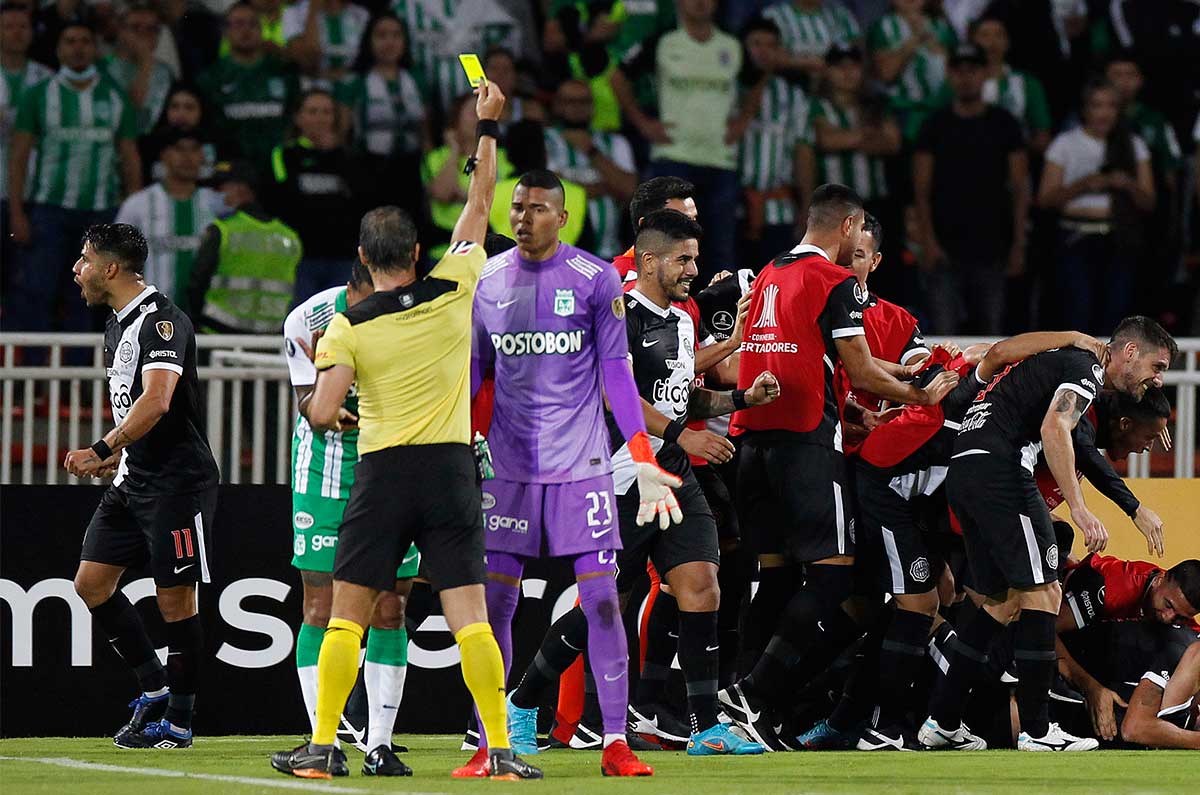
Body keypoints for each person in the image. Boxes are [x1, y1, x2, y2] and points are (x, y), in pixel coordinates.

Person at [269, 81, 541, 781]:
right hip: (451, 471)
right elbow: (479, 203)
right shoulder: (457, 284)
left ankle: (322, 748)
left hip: (383, 474)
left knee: (346, 618)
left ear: (362, 259)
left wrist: (337, 381)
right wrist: (487, 126)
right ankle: (502, 751)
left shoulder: (348, 326)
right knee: (471, 621)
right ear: (421, 250)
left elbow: (324, 413)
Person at [504, 210, 773, 759]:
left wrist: (743, 399)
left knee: (702, 585)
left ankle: (706, 727)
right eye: (683, 259)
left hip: (670, 470)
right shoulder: (616, 314)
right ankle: (523, 699)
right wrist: (682, 434)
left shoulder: (680, 321)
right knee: (605, 604)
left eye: (694, 259)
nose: (693, 270)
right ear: (649, 260)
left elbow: (683, 396)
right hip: (617, 474)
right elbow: (613, 396)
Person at [718, 183, 960, 750]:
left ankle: (739, 717)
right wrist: (920, 396)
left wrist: (880, 387)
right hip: (805, 446)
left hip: (752, 444)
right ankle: (752, 696)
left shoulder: (771, 273)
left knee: (775, 583)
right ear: (849, 226)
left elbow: (813, 358)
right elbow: (862, 369)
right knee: (832, 577)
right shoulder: (835, 283)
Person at [468, 169, 688, 777]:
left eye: (537, 208)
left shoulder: (594, 280)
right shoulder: (486, 279)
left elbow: (617, 374)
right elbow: (474, 374)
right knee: (495, 606)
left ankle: (614, 742)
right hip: (509, 469)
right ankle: (493, 743)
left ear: (562, 217)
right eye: (516, 207)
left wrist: (641, 453)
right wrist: (459, 438)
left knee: (603, 602)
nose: (522, 217)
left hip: (583, 469)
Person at [920, 315, 1176, 752]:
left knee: (1001, 604)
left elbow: (1001, 352)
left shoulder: (1064, 357)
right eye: (1157, 367)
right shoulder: (1087, 368)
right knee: (1044, 595)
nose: (1156, 379)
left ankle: (941, 722)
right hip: (1001, 471)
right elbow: (1055, 427)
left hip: (965, 468)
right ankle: (1038, 731)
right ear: (1129, 353)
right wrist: (1078, 508)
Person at [64, 222, 219, 750]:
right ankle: (154, 688)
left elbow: (157, 400)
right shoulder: (116, 324)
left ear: (110, 268)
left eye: (84, 260)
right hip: (134, 480)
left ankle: (178, 722)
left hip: (177, 483)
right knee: (91, 583)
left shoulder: (161, 323)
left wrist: (103, 448)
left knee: (176, 603)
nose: (76, 269)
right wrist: (121, 456)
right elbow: (138, 409)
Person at [281, 261, 419, 776]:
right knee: (320, 603)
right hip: (325, 474)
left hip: (391, 473)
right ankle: (326, 741)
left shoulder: (414, 316)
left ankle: (379, 744)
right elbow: (305, 403)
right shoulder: (306, 318)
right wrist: (326, 392)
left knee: (390, 609)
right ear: (355, 286)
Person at [6, 21, 142, 336]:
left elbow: (129, 155)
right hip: (49, 209)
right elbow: (19, 156)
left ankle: (80, 378)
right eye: (70, 41)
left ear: (95, 48)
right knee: (38, 291)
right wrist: (17, 212)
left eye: (84, 41)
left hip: (101, 213)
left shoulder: (114, 94)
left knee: (91, 297)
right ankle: (35, 378)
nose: (78, 47)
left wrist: (132, 211)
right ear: (59, 49)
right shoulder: (38, 95)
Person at [611, 0, 760, 279]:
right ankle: (667, 313)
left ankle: (720, 317)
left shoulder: (731, 44)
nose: (701, 3)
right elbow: (618, 76)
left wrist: (743, 121)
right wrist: (642, 122)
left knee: (720, 249)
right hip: (672, 158)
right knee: (668, 244)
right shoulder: (664, 41)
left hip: (720, 159)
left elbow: (758, 79)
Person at [913, 43, 1027, 335]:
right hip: (944, 247)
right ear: (949, 75)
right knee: (944, 339)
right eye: (959, 70)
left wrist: (1018, 244)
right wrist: (928, 241)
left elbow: (1019, 187)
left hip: (994, 247)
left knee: (992, 339)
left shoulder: (1005, 124)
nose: (966, 77)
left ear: (985, 74)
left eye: (973, 70)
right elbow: (921, 189)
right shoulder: (934, 125)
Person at [1037, 81, 1155, 334]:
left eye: (1111, 106)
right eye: (1097, 105)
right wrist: (1084, 185)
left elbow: (1149, 202)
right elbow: (1045, 199)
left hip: (1118, 239)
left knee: (1116, 313)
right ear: (1085, 110)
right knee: (1077, 310)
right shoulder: (1066, 144)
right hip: (1075, 238)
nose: (1104, 113)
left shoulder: (1132, 144)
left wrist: (1126, 184)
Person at [809, 44, 902, 300]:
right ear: (827, 70)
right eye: (840, 66)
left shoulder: (875, 105)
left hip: (876, 202)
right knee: (834, 269)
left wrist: (846, 138)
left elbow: (892, 143)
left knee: (882, 271)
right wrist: (867, 136)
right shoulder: (817, 107)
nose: (847, 72)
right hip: (836, 208)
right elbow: (826, 140)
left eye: (853, 65)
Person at [267, 89, 367, 301]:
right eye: (312, 112)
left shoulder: (349, 157)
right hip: (299, 257)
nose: (320, 118)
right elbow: (281, 200)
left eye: (326, 112)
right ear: (298, 118)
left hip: (341, 256)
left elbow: (359, 199)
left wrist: (333, 154)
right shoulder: (284, 155)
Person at [188, 159, 302, 334]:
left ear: (242, 189)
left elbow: (196, 285)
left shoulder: (222, 231)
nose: (211, 194)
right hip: (269, 340)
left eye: (218, 188)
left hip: (217, 337)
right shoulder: (290, 237)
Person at [115, 127, 221, 312]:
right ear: (164, 155)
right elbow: (115, 259)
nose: (188, 157)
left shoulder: (216, 204)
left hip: (206, 318)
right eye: (180, 149)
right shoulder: (138, 205)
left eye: (194, 150)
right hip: (151, 317)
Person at [738, 15, 812, 269]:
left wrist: (805, 208)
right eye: (756, 44)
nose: (764, 52)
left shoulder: (794, 96)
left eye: (771, 45)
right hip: (735, 208)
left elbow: (803, 152)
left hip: (779, 210)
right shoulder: (729, 89)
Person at [334, 12, 425, 215]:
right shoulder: (354, 83)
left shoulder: (418, 79)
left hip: (411, 170)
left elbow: (424, 133)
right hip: (368, 170)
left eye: (396, 35)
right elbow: (342, 134)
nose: (389, 42)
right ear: (369, 41)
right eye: (381, 35)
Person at [197, 2, 299, 169]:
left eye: (253, 24)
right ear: (225, 31)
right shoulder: (210, 78)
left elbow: (294, 120)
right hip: (231, 169)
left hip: (279, 167)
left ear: (261, 30)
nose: (246, 30)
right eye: (238, 24)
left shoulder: (284, 73)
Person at [544, 78, 636, 260]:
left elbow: (630, 190)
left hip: (608, 254)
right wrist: (605, 187)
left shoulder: (615, 143)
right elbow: (547, 190)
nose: (577, 107)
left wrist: (591, 151)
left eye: (583, 101)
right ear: (557, 105)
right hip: (557, 256)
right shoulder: (544, 141)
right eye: (570, 101)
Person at [421, 91, 513, 260]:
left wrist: (463, 196)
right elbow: (442, 193)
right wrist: (454, 151)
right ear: (456, 119)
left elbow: (501, 202)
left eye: (484, 113)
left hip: (491, 253)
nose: (480, 118)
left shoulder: (502, 158)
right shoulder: (438, 157)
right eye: (474, 112)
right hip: (445, 253)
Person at [0, 0, 52, 299]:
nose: (16, 33)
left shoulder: (46, 79)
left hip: (34, 190)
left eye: (23, 26)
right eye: (8, 26)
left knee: (27, 284)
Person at [867, 0, 955, 142]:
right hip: (903, 116)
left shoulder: (943, 26)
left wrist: (934, 45)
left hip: (943, 113)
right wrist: (914, 40)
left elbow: (955, 72)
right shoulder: (882, 27)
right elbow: (887, 74)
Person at [965, 14, 1051, 153]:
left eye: (999, 35)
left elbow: (1042, 138)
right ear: (972, 41)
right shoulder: (959, 82)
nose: (992, 42)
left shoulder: (1028, 83)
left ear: (1007, 42)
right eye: (984, 35)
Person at [99, 3, 172, 135]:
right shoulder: (102, 67)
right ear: (120, 31)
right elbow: (128, 116)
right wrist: (145, 61)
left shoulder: (165, 71)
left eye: (151, 29)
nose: (143, 34)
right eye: (135, 27)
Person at [761, 0, 861, 84]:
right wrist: (806, 63)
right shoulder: (773, 16)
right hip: (789, 90)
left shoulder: (841, 14)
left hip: (834, 91)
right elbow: (767, 58)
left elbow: (858, 54)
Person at [139, 84, 219, 185]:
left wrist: (215, 168)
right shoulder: (149, 144)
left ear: (201, 111)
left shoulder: (218, 140)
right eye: (174, 107)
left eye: (189, 108)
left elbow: (228, 166)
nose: (181, 113)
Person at [282, 0, 369, 89]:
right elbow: (308, 60)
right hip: (312, 89)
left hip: (352, 88)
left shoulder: (361, 14)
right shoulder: (293, 13)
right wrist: (313, 11)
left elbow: (368, 61)